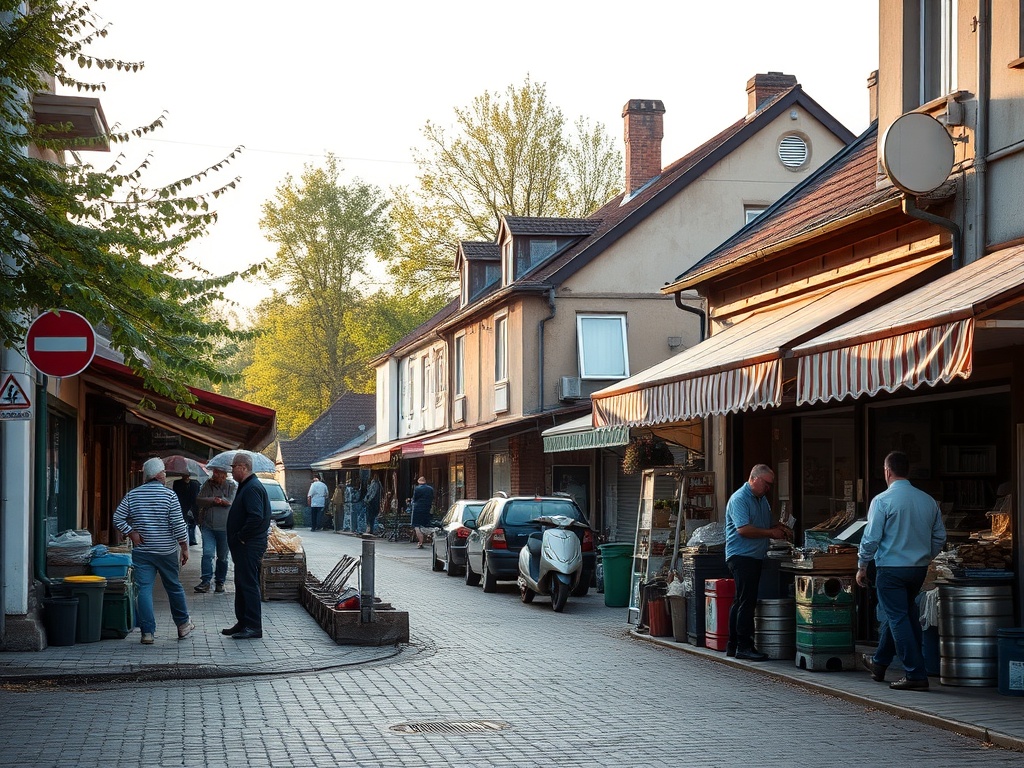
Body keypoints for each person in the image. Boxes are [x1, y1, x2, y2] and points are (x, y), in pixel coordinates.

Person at [857, 450, 946, 691]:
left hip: (891, 569)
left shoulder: (882, 501)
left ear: (887, 471)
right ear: (908, 471)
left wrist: (862, 565)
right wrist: (928, 556)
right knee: (903, 613)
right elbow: (940, 536)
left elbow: (871, 539)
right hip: (917, 569)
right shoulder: (928, 500)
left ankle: (916, 673)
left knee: (897, 618)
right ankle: (879, 663)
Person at [113, 457, 194, 644]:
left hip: (142, 552)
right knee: (173, 587)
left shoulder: (132, 495)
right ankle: (183, 625)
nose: (165, 475)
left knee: (144, 590)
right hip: (165, 552)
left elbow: (118, 518)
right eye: (164, 472)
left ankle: (147, 633)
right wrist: (184, 546)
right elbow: (178, 524)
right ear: (158, 475)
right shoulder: (169, 496)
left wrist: (131, 532)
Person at [724, 464, 791, 661]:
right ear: (754, 479)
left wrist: (780, 527)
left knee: (741, 600)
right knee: (747, 601)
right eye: (767, 484)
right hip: (742, 556)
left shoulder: (762, 500)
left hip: (753, 556)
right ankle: (744, 646)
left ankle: (733, 644)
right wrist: (771, 533)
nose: (769, 489)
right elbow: (743, 529)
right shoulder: (740, 499)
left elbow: (766, 523)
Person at [225, 451, 272, 640]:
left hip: (249, 545)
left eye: (233, 467)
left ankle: (253, 626)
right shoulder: (246, 485)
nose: (231, 471)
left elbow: (256, 516)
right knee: (242, 582)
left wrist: (241, 537)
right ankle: (243, 621)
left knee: (249, 584)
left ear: (243, 467)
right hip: (245, 545)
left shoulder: (251, 487)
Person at [194, 465, 237, 594]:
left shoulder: (232, 485)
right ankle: (205, 582)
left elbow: (231, 501)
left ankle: (220, 582)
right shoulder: (208, 484)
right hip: (208, 526)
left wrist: (222, 501)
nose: (215, 476)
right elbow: (199, 500)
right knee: (207, 554)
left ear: (224, 474)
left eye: (218, 474)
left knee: (222, 557)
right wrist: (213, 500)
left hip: (225, 527)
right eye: (214, 473)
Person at [172, 472, 201, 545]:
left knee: (192, 523)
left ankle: (192, 539)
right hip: (182, 505)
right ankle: (184, 539)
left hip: (193, 505)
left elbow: (198, 494)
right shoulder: (177, 483)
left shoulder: (195, 483)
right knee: (184, 523)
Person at [410, 476, 435, 549]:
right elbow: (432, 498)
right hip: (427, 508)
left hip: (417, 509)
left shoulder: (417, 489)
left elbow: (414, 499)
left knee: (417, 526)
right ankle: (432, 534)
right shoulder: (430, 489)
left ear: (419, 482)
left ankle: (420, 542)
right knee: (426, 524)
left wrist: (411, 503)